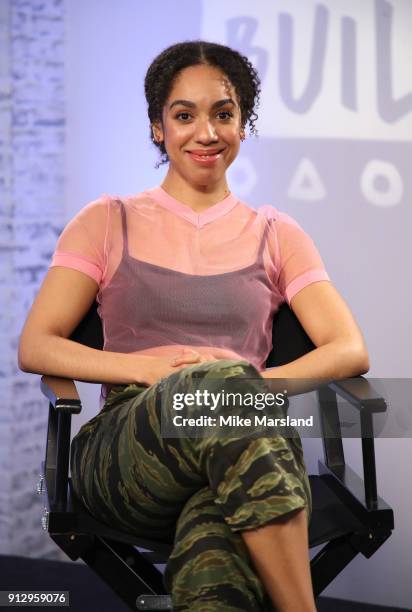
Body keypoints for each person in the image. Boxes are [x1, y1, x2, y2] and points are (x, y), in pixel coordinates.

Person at [18, 40, 369, 611]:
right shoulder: (107, 221)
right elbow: (37, 345)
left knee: (215, 568)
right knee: (219, 396)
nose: (206, 132)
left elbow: (349, 349)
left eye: (223, 114)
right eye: (184, 115)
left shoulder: (277, 233)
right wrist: (150, 368)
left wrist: (246, 384)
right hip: (128, 454)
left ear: (242, 125)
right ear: (159, 127)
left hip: (245, 453)